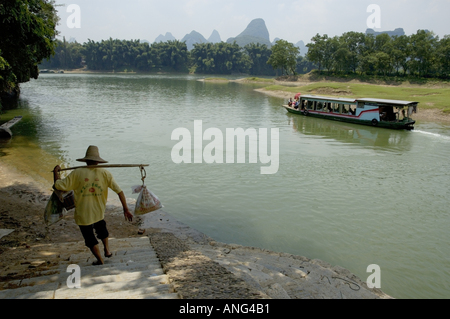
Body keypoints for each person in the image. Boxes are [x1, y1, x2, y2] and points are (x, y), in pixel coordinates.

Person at [53, 146, 133, 266]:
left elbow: (58, 186)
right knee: (102, 230)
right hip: (98, 211)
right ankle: (107, 250)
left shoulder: (77, 173)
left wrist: (56, 173)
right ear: (98, 161)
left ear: (85, 160)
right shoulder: (105, 173)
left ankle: (100, 260)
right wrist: (125, 209)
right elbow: (119, 191)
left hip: (83, 214)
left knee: (90, 238)